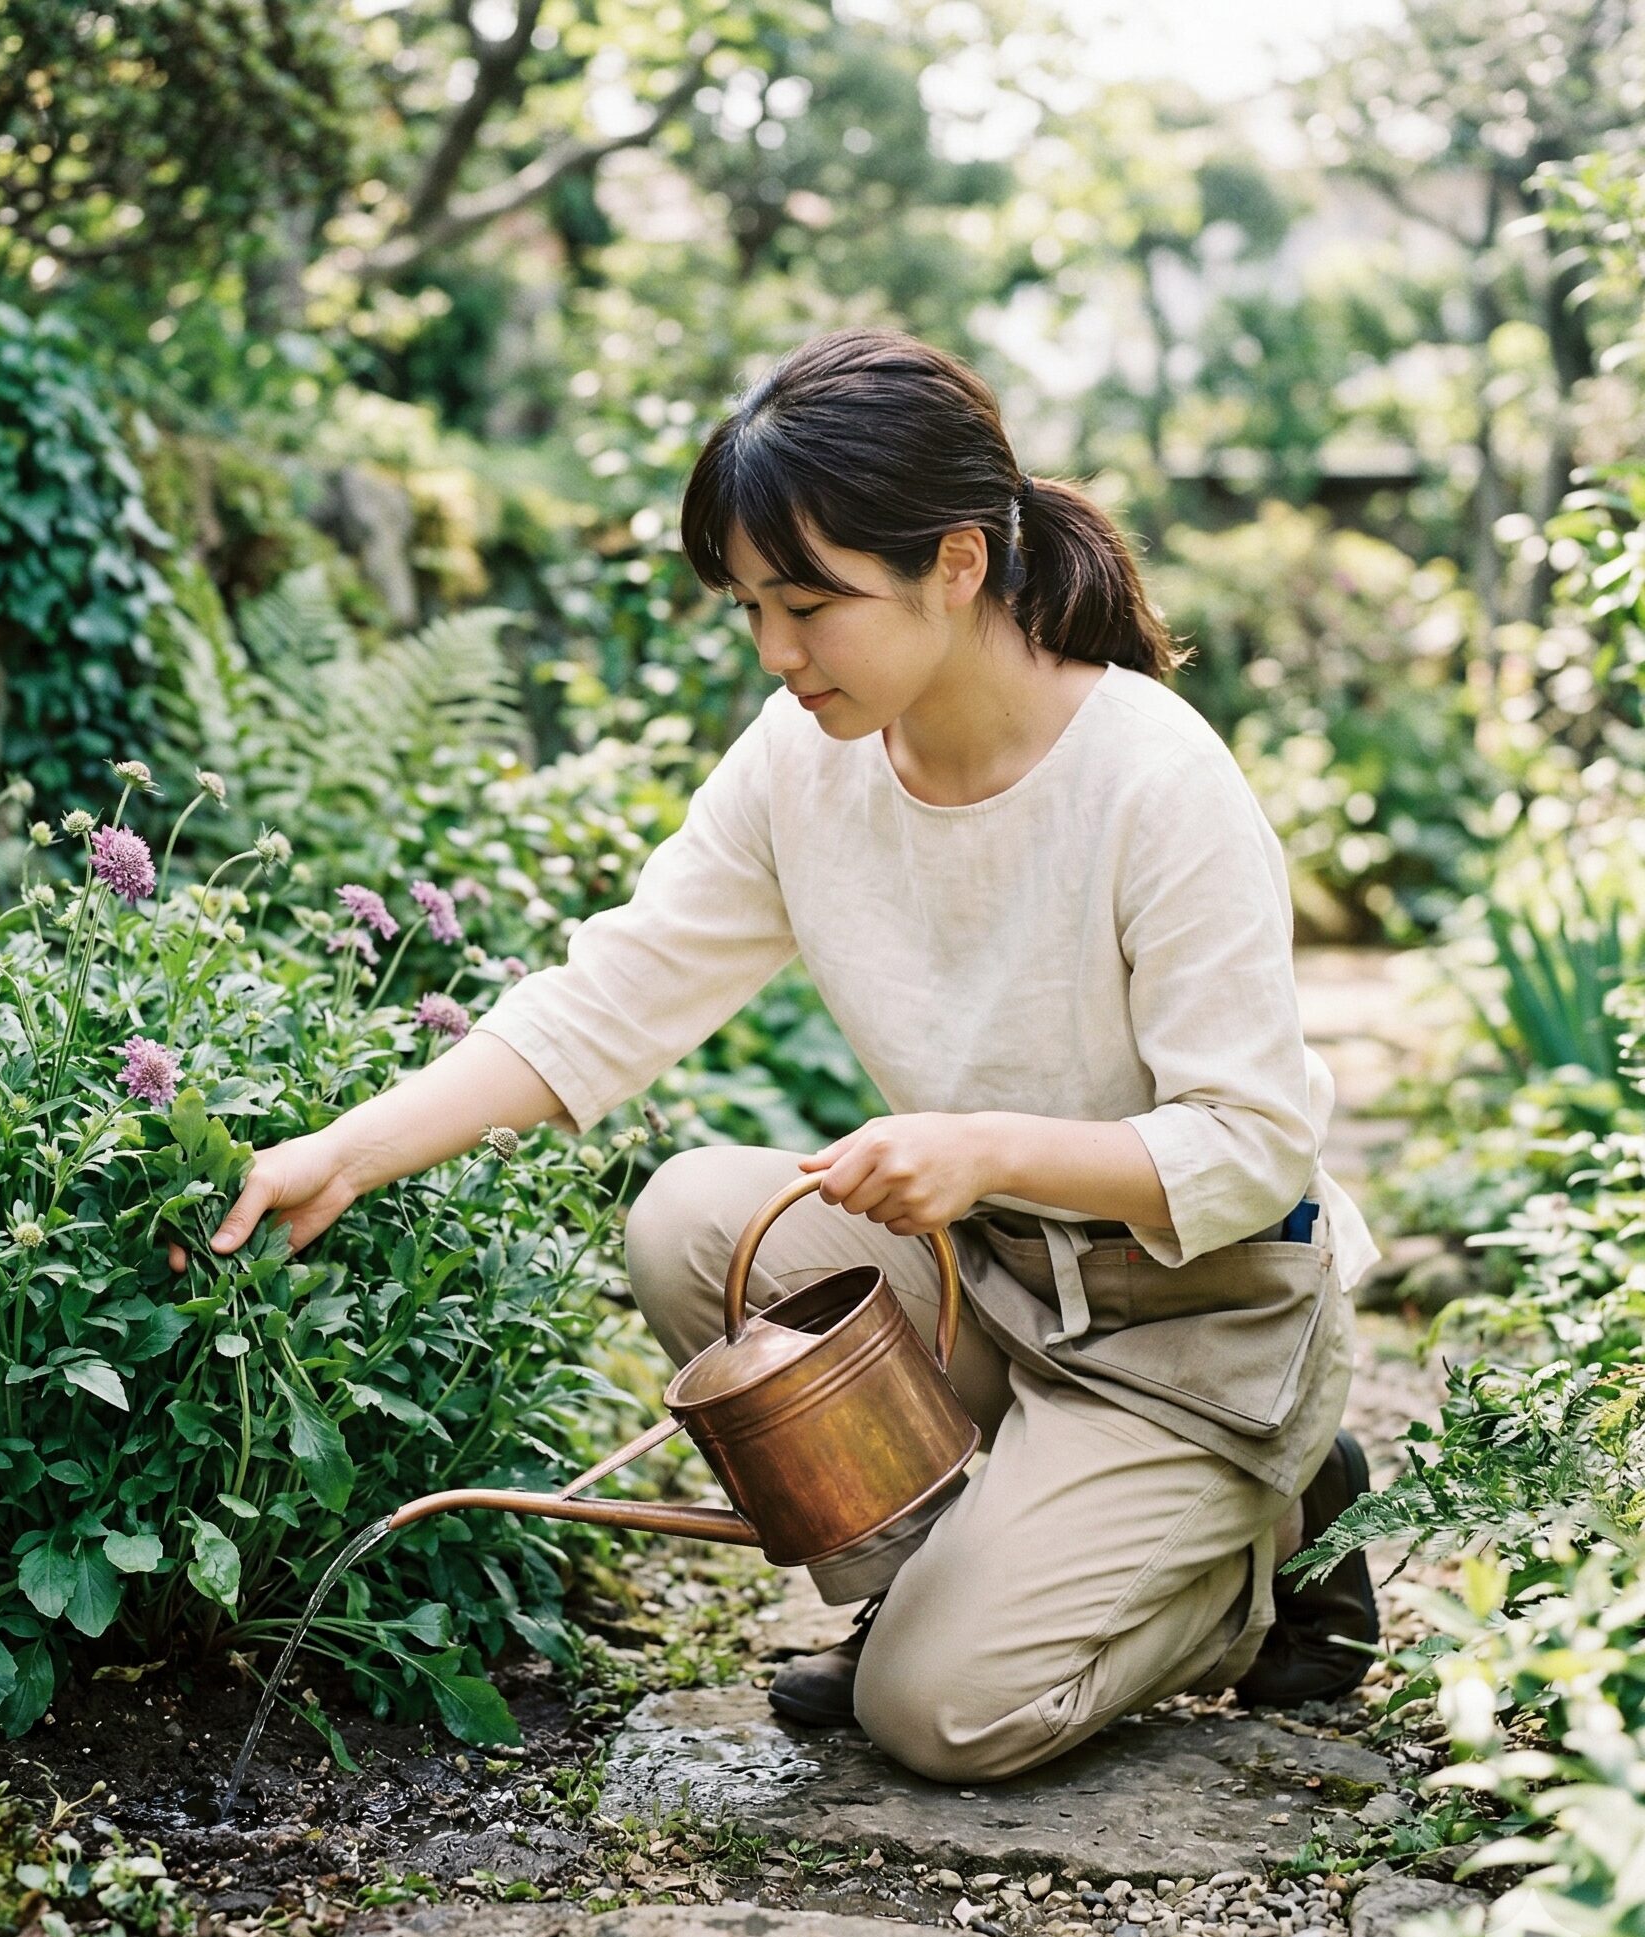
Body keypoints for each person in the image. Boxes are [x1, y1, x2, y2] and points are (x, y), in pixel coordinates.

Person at [172, 326, 1385, 1784]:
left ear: (956, 560)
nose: (774, 650)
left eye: (809, 602)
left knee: (943, 1717)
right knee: (696, 1222)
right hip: (980, 1276)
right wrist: (344, 1154)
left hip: (1199, 1320)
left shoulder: (1152, 779)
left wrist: (984, 1147)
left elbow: (1254, 1151)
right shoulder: (804, 759)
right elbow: (607, 999)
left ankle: (1269, 1560)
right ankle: (956, 1586)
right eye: (749, 605)